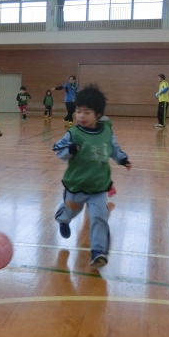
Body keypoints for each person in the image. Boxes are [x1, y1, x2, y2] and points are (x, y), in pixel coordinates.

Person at [52, 84, 131, 268]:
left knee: (99, 217)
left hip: (98, 187)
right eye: (78, 111)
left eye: (86, 112)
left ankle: (98, 252)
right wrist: (70, 149)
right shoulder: (73, 134)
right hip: (76, 186)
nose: (81, 116)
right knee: (71, 212)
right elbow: (59, 150)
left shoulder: (106, 132)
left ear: (98, 115)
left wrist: (122, 159)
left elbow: (113, 148)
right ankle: (62, 219)